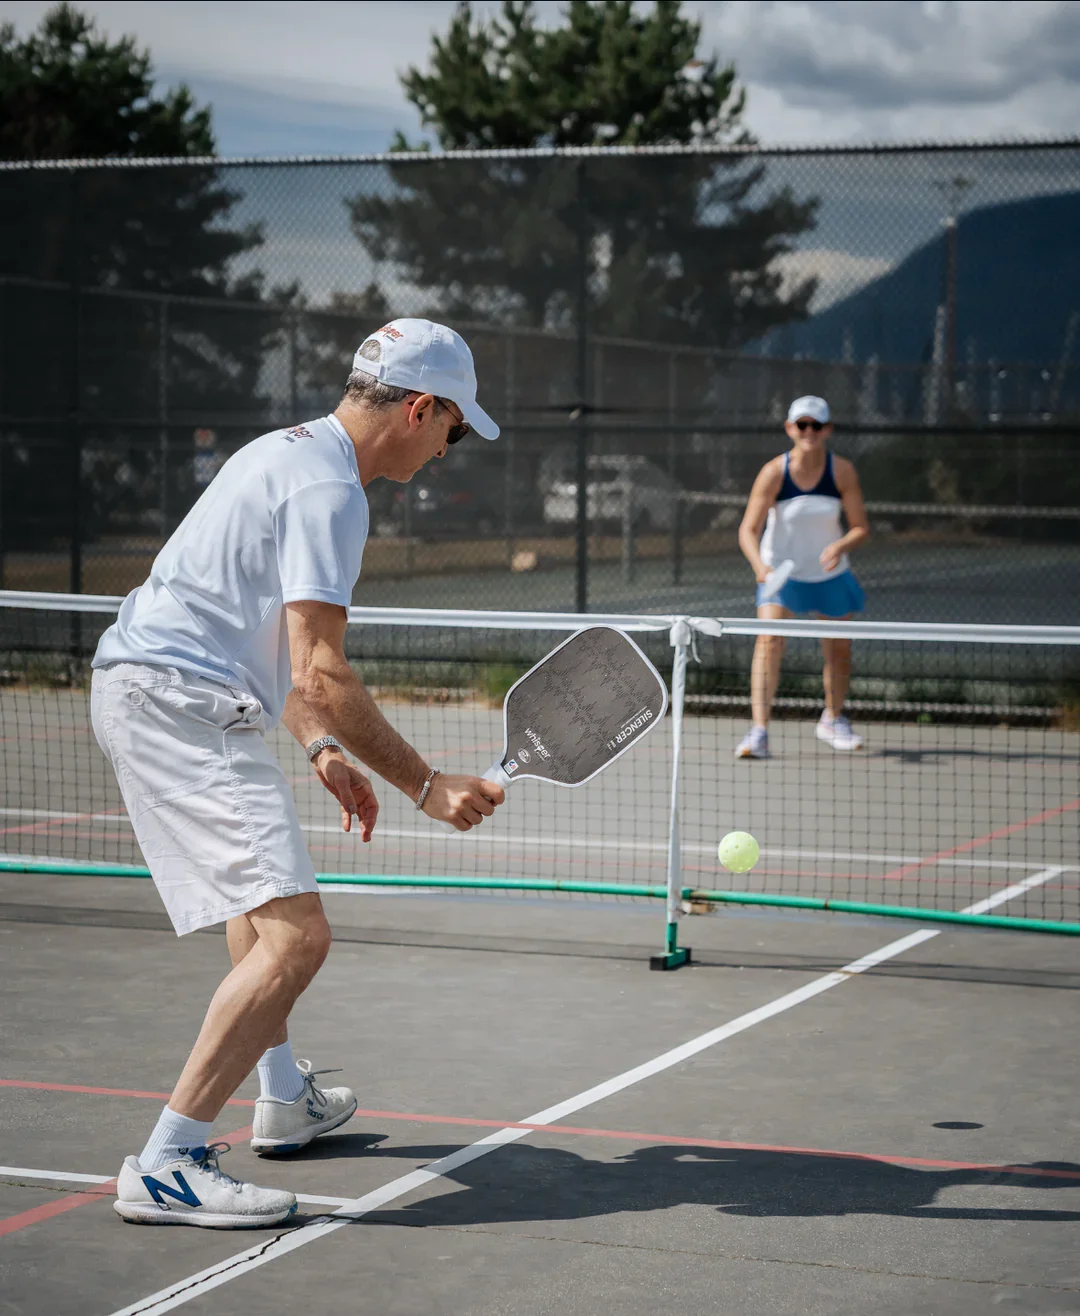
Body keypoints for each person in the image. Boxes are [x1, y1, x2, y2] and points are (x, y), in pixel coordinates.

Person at [90, 318, 506, 1228]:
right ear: (419, 409)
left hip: (161, 690)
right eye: (453, 427)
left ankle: (281, 1095)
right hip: (178, 705)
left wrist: (322, 747)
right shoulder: (332, 491)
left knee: (261, 908)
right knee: (299, 938)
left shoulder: (283, 453)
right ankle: (168, 1163)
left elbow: (268, 648)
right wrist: (426, 784)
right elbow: (321, 669)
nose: (448, 448)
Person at [735, 395, 869, 760]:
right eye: (802, 424)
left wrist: (840, 545)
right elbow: (748, 530)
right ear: (790, 428)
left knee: (839, 650)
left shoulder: (841, 471)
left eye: (816, 425)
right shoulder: (774, 473)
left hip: (829, 576)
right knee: (769, 641)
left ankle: (833, 719)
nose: (809, 431)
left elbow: (860, 527)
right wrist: (761, 569)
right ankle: (759, 732)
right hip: (781, 575)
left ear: (827, 430)